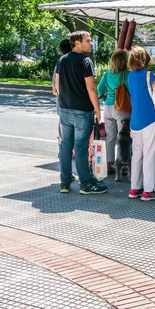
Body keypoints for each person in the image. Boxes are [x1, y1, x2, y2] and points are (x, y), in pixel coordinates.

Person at [55, 31, 107, 195]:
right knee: (81, 147)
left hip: (65, 109)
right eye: (88, 40)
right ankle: (86, 183)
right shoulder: (86, 62)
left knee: (66, 146)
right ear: (77, 43)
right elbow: (91, 89)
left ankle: (64, 181)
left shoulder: (62, 60)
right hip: (82, 111)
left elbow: (57, 87)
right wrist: (98, 110)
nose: (91, 43)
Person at [127, 46, 155, 201]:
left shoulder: (130, 76)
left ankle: (134, 188)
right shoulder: (149, 75)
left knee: (136, 155)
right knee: (150, 155)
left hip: (135, 120)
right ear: (144, 60)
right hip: (150, 119)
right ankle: (148, 191)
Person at [97, 50, 130, 175]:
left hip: (108, 107)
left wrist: (106, 97)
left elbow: (99, 91)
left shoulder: (106, 74)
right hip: (121, 108)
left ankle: (108, 163)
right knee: (123, 139)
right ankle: (122, 165)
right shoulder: (127, 74)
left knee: (110, 137)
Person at [52, 39, 72, 152]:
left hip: (62, 106)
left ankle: (64, 154)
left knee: (64, 138)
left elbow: (54, 90)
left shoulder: (59, 65)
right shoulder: (83, 62)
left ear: (61, 52)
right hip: (80, 108)